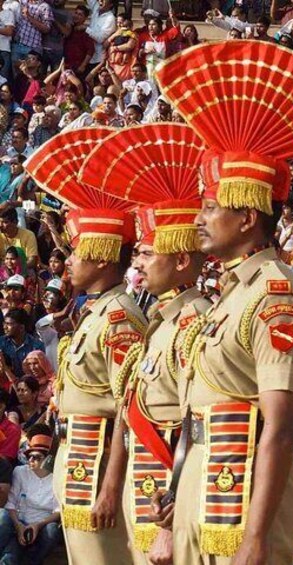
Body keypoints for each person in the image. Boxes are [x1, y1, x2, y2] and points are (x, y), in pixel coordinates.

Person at [155, 41, 293, 564]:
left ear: (248, 217)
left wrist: (255, 537)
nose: (197, 219)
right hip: (204, 478)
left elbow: (282, 425)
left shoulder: (276, 294)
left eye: (211, 206)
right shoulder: (232, 294)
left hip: (242, 494)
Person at [75, 123, 212, 563]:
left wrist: (170, 523)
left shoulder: (194, 321)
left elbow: (194, 423)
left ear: (181, 259)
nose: (138, 264)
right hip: (144, 473)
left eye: (148, 254)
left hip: (166, 482)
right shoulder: (161, 321)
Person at [26, 126, 146, 564]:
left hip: (98, 467)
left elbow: (128, 408)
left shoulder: (120, 317)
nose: (68, 260)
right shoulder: (95, 310)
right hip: (77, 457)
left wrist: (113, 486)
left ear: (100, 257)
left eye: (77, 251)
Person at [0, 430, 60, 565]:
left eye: (36, 457)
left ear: (48, 459)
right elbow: (11, 504)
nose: (30, 460)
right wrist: (19, 525)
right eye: (29, 456)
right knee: (9, 559)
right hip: (19, 521)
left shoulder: (57, 478)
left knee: (52, 530)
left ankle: (34, 561)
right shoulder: (20, 472)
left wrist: (37, 525)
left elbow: (58, 511)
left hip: (42, 525)